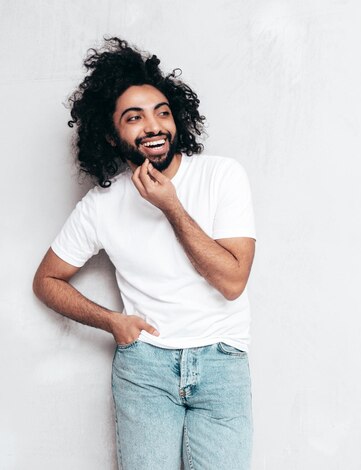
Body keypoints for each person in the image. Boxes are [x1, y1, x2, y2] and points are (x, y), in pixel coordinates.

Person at [32, 37, 255, 470]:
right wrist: (112, 322)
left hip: (221, 363)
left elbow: (232, 282)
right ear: (113, 136)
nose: (153, 126)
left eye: (163, 113)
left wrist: (171, 206)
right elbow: (46, 280)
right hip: (145, 369)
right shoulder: (101, 204)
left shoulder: (222, 176)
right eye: (134, 118)